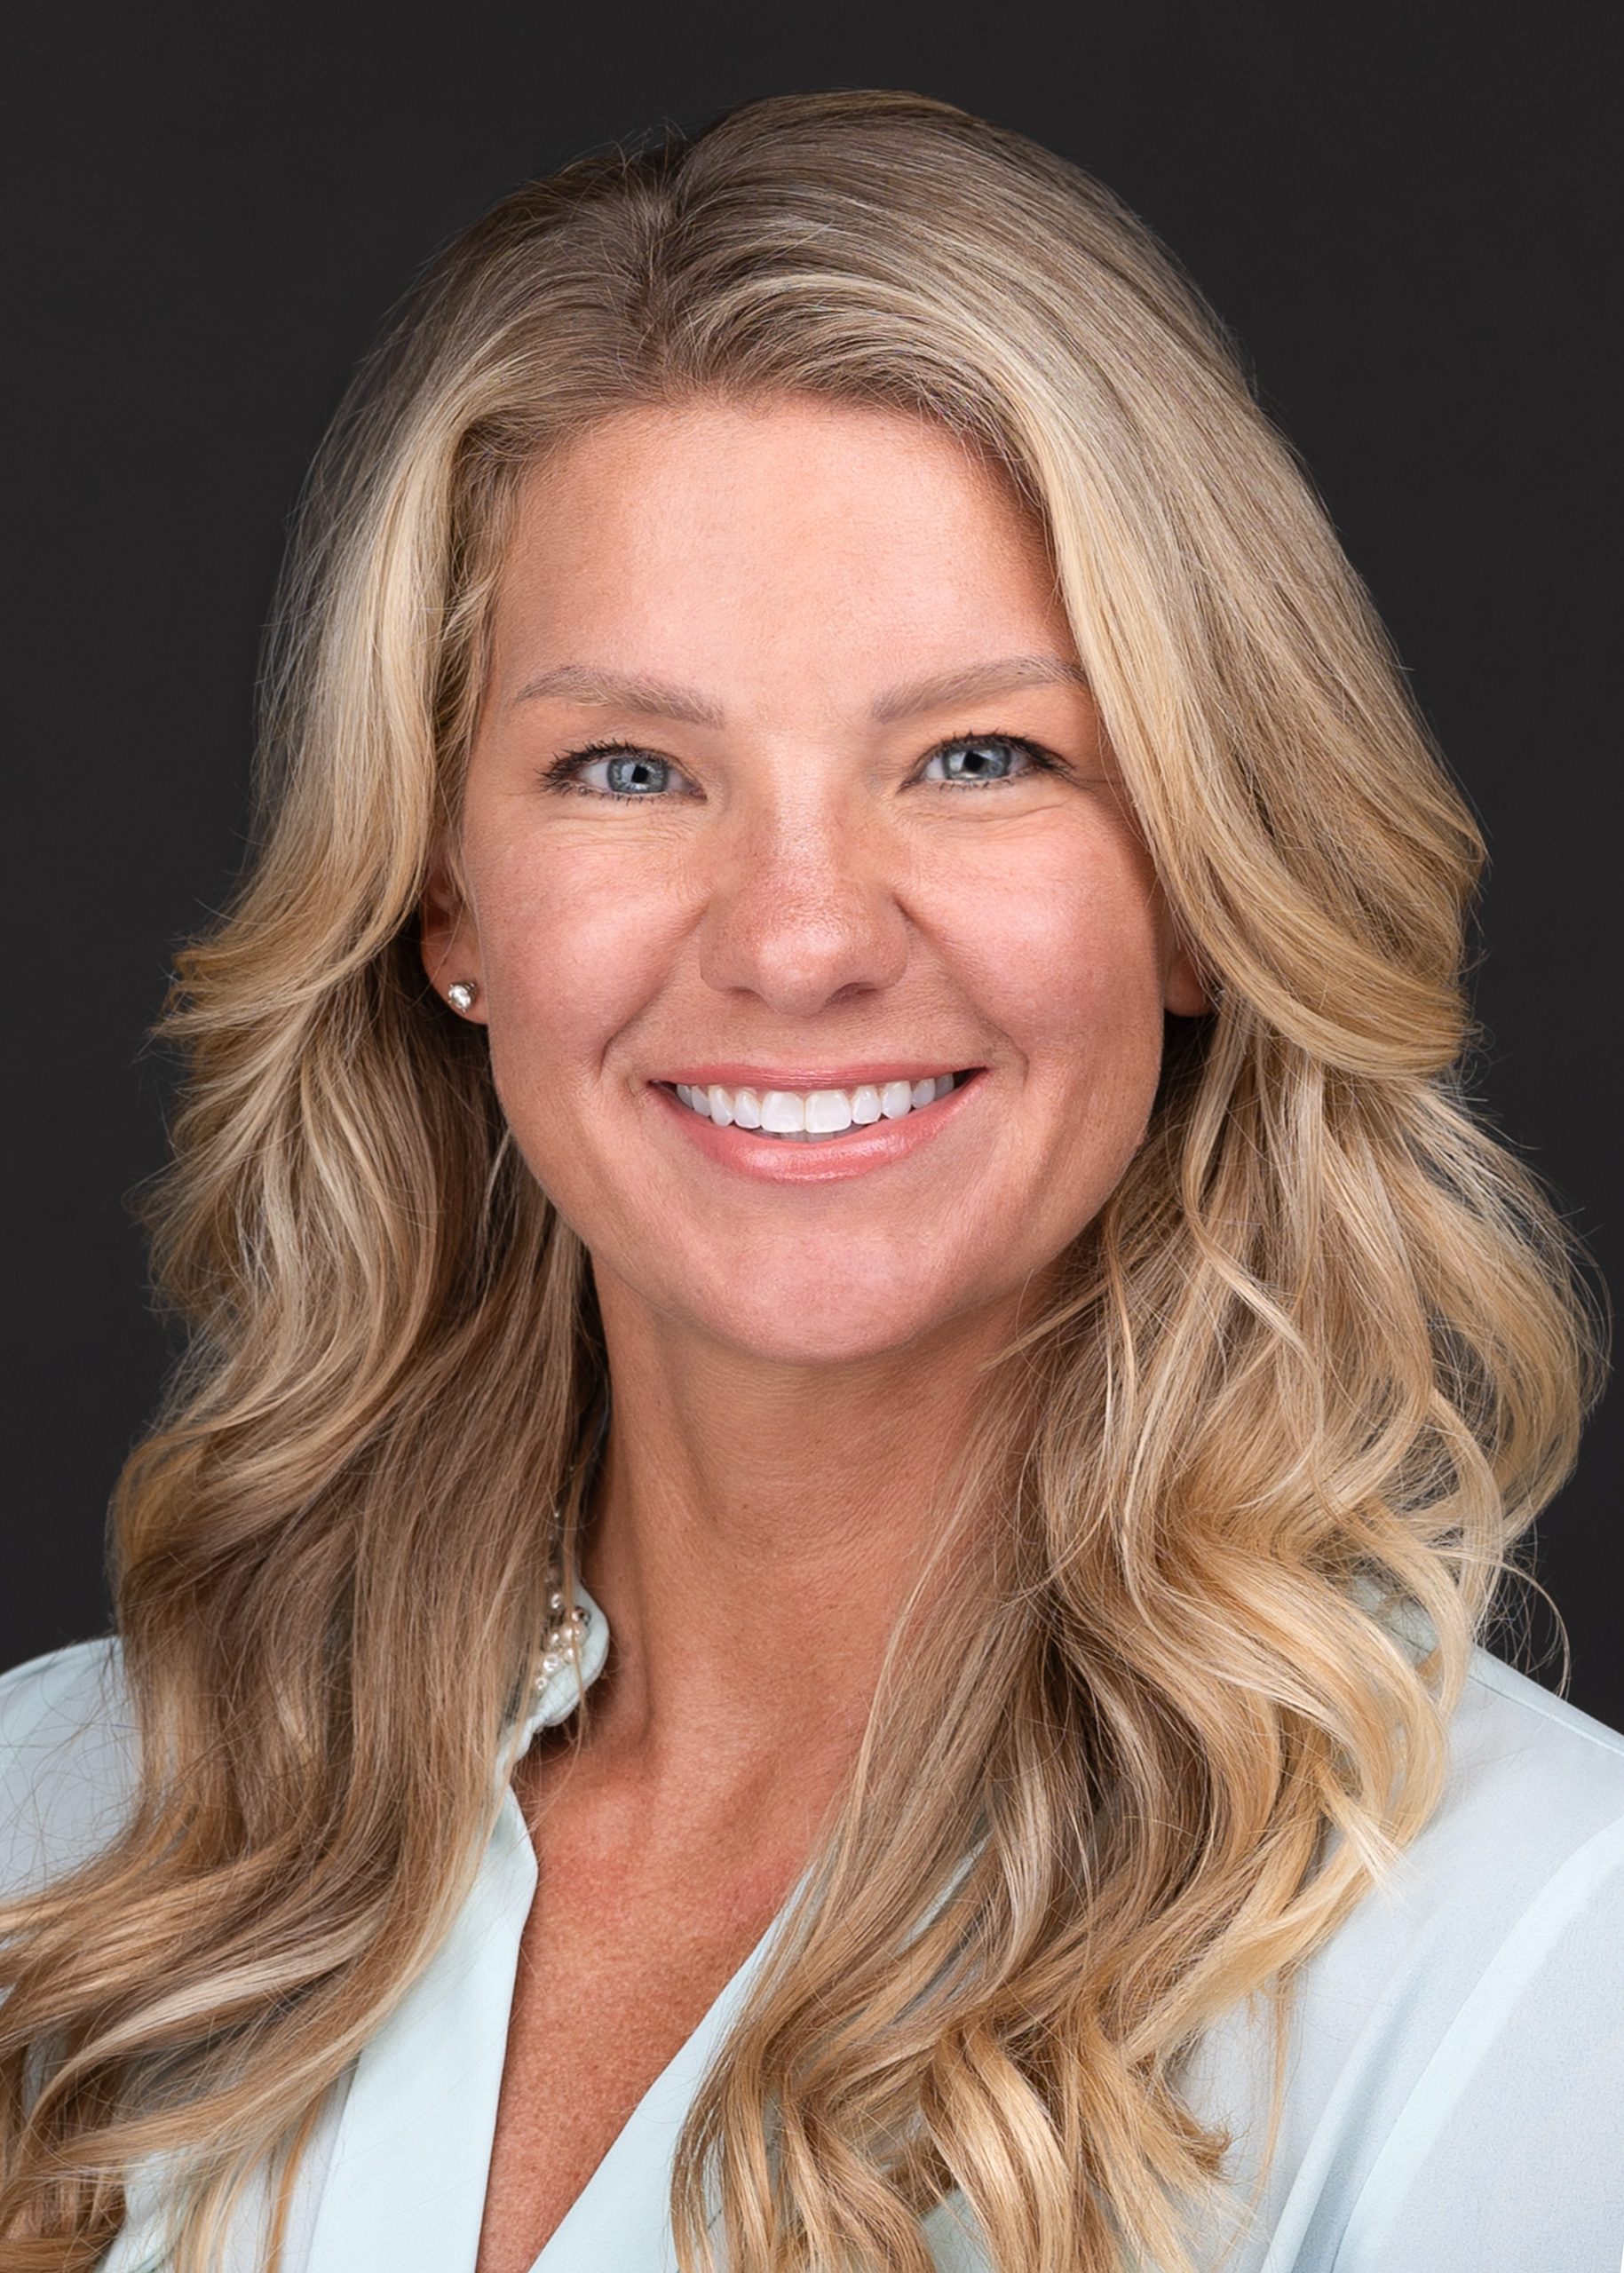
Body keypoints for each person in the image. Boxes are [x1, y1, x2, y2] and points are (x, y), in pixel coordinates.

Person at [1, 84, 1619, 2273]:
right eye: (629, 766)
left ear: (1200, 893)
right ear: (450, 900)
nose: (796, 933)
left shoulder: (1534, 1961)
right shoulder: (58, 1821)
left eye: (979, 757)